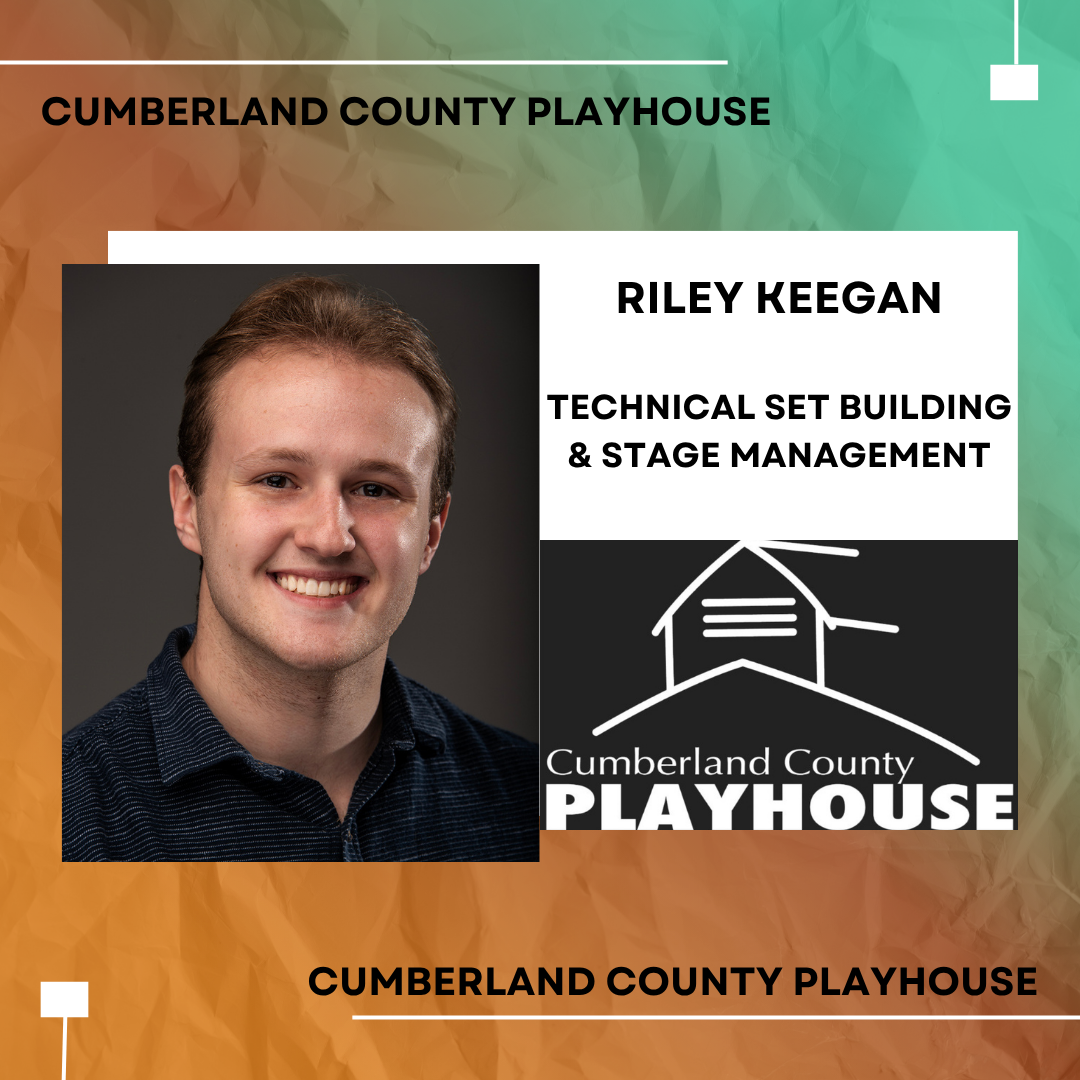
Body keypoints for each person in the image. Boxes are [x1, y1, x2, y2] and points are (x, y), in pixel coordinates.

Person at [63, 276, 538, 861]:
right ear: (189, 509)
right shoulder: (57, 817)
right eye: (277, 480)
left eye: (374, 488)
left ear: (431, 533)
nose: (328, 536)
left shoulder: (537, 806)